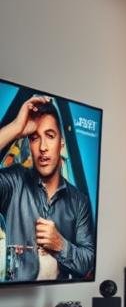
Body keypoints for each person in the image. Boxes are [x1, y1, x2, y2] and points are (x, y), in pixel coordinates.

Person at [0, 95, 95, 281]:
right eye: (35, 139)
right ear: (30, 145)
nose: (43, 147)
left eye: (50, 136)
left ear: (61, 143)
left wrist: (60, 244)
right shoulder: (15, 181)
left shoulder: (79, 200)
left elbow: (88, 260)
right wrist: (15, 128)